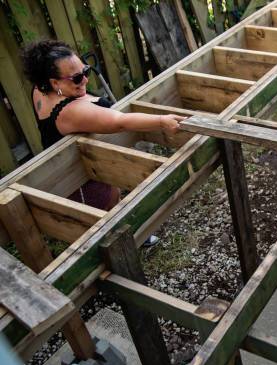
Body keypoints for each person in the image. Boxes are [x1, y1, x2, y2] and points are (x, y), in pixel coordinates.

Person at [22, 40, 186, 246]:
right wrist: (161, 121)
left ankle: (130, 237)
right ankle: (115, 252)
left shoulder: (40, 89)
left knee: (113, 194)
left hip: (87, 159)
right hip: (79, 174)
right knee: (100, 216)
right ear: (55, 83)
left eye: (85, 71)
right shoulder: (70, 112)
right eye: (77, 78)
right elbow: (120, 122)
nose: (85, 81)